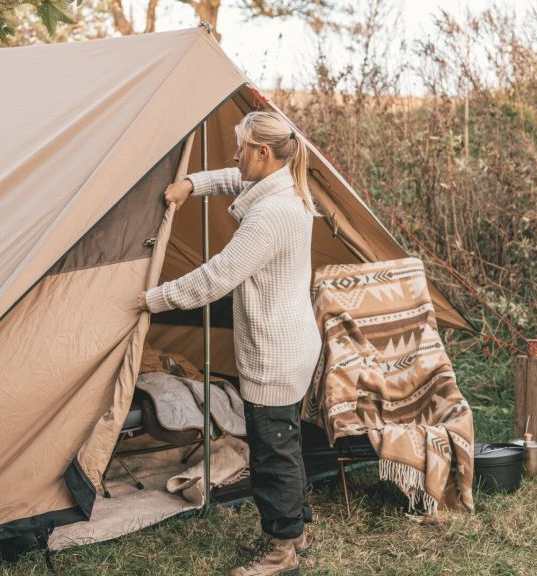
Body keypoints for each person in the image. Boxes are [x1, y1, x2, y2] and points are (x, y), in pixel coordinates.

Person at [137, 111, 322, 576]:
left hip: (275, 354)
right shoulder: (283, 187)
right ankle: (296, 529)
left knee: (271, 453)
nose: (234, 154)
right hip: (293, 342)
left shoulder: (271, 215)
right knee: (285, 442)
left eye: (242, 147)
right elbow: (234, 179)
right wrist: (193, 185)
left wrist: (150, 300)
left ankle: (280, 550)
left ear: (263, 152)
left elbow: (215, 279)